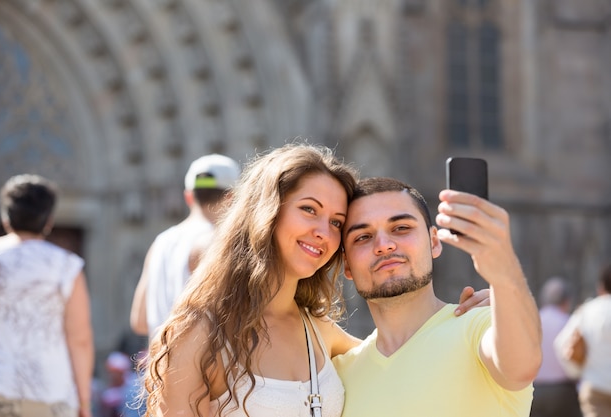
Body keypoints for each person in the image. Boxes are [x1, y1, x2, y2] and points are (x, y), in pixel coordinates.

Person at [140, 143, 489, 417]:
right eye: (309, 209)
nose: (323, 232)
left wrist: (479, 312)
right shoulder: (199, 334)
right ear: (267, 213)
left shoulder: (318, 332)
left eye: (337, 222)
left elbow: (405, 356)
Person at [334, 177, 542, 417]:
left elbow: (520, 368)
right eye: (362, 237)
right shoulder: (338, 377)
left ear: (434, 242)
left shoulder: (479, 326)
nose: (384, 245)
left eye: (401, 228)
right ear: (346, 265)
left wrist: (505, 275)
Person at [0, 174, 94, 417]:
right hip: (50, 393)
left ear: (6, 218)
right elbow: (80, 339)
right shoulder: (66, 266)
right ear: (49, 221)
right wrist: (84, 402)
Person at [130, 153, 241, 339]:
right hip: (203, 364)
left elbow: (139, 321)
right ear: (232, 197)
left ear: (189, 196)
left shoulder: (161, 242)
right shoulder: (219, 242)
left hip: (159, 363)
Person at [555, 263, 611, 417]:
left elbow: (561, 345)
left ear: (600, 288)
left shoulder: (588, 310)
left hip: (595, 388)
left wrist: (577, 372)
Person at [530, 277, 582, 417]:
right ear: (566, 301)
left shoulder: (530, 322)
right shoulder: (569, 323)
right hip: (563, 391)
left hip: (532, 390)